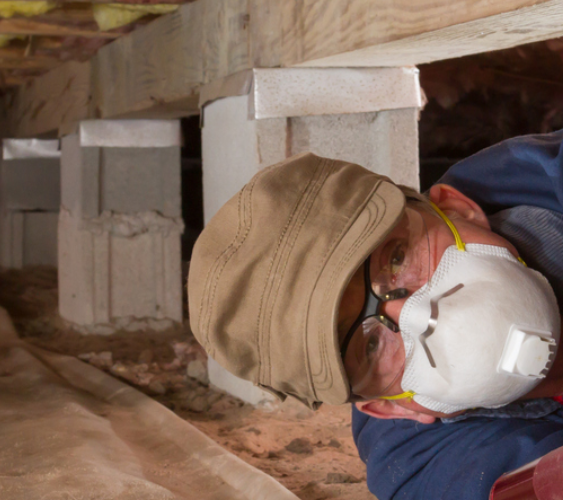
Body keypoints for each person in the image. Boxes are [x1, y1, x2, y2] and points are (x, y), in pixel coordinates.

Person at [188, 130, 563, 499]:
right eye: (369, 345)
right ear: (389, 407)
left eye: (397, 259)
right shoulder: (423, 463)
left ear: (455, 209)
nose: (418, 315)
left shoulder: (545, 179)